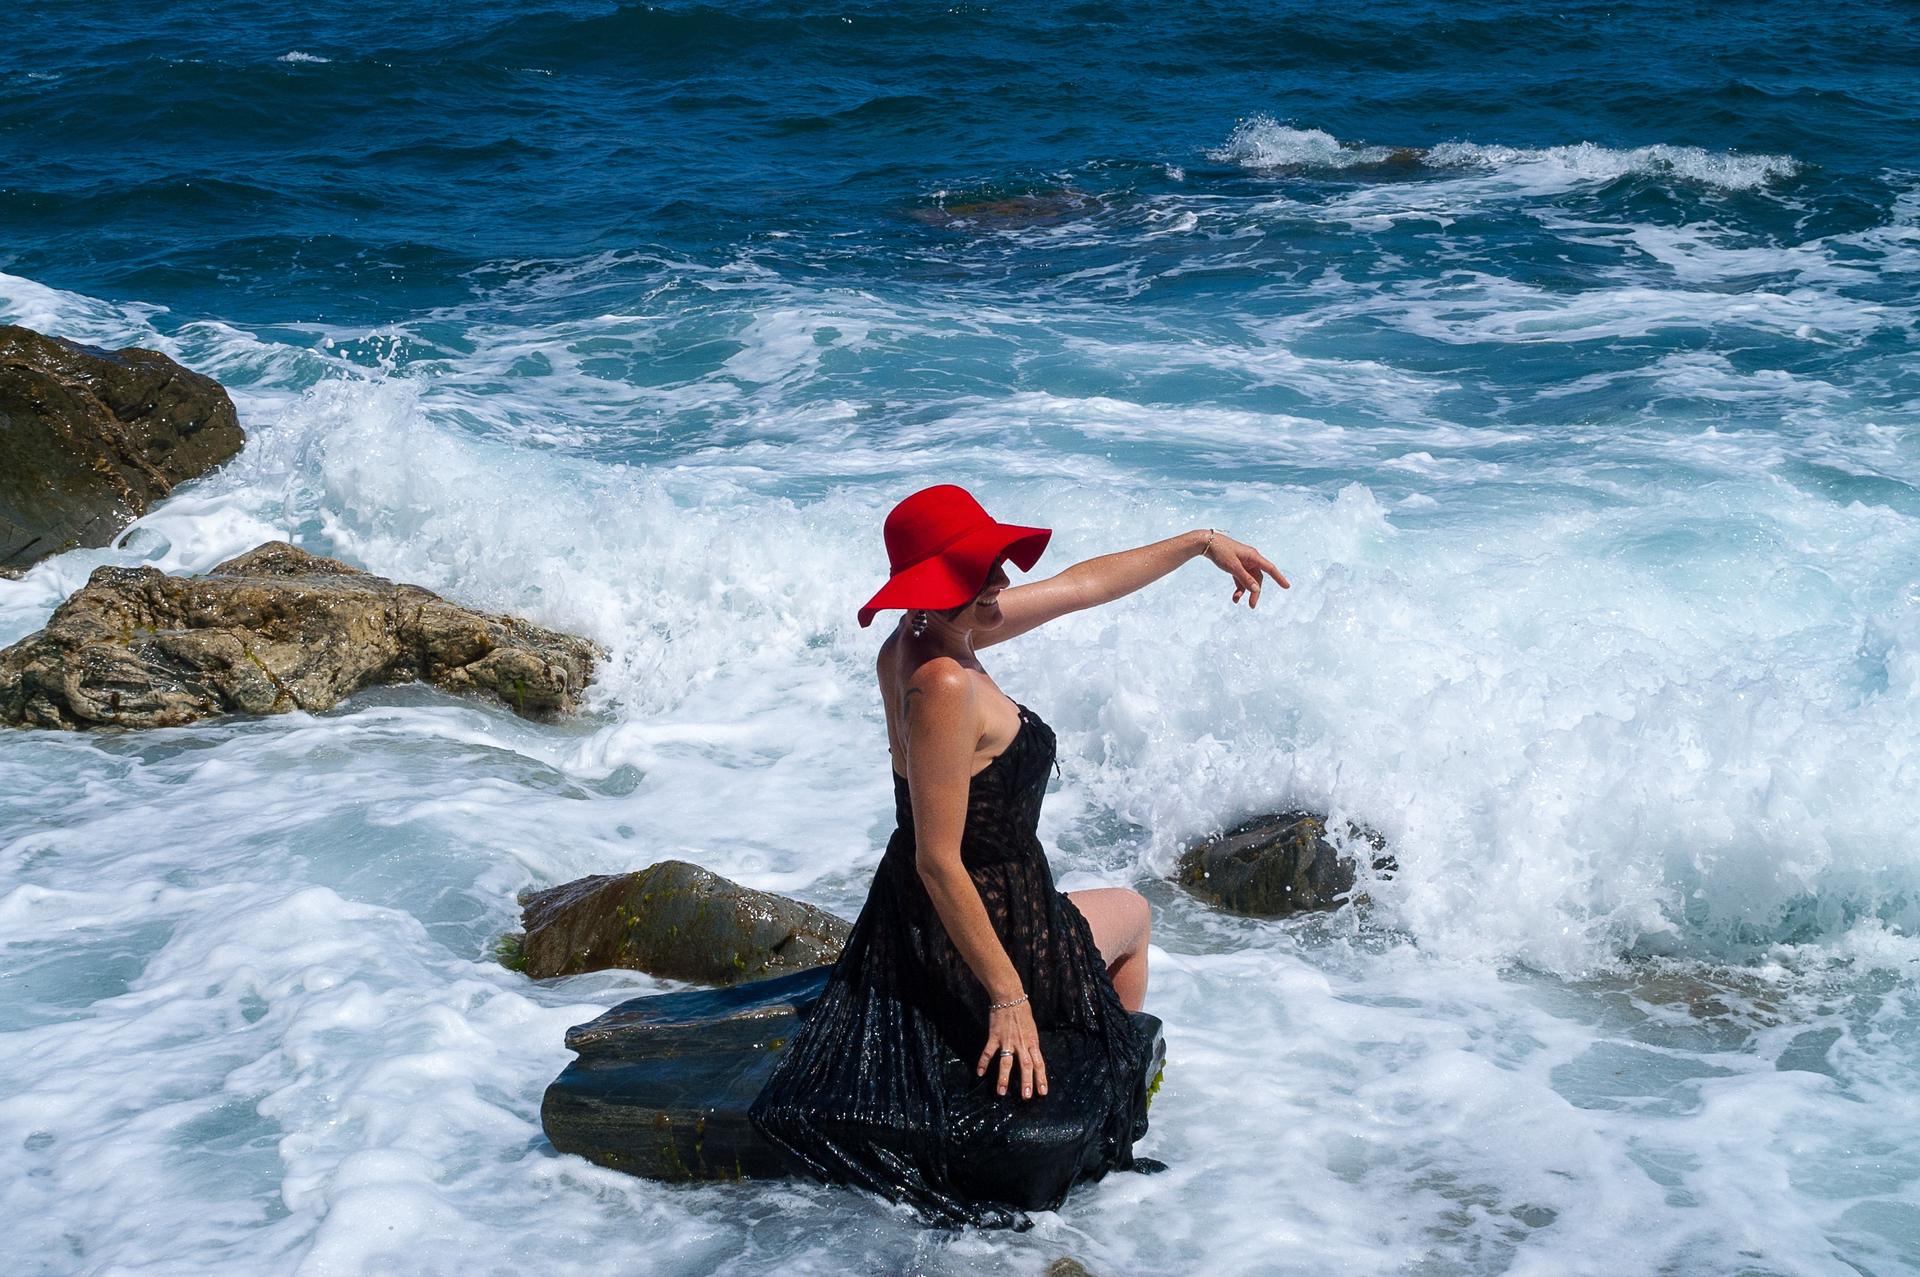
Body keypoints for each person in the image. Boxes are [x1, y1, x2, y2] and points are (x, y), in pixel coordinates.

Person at [749, 484, 1288, 1226]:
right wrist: (1009, 997)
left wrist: (1201, 543)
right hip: (981, 920)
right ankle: (1103, 1121)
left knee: (1122, 915)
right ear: (938, 584)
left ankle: (1090, 1094)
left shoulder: (922, 639)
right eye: (981, 568)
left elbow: (1081, 587)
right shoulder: (943, 682)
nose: (1002, 578)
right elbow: (938, 860)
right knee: (1132, 917)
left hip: (925, 911)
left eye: (994, 561)